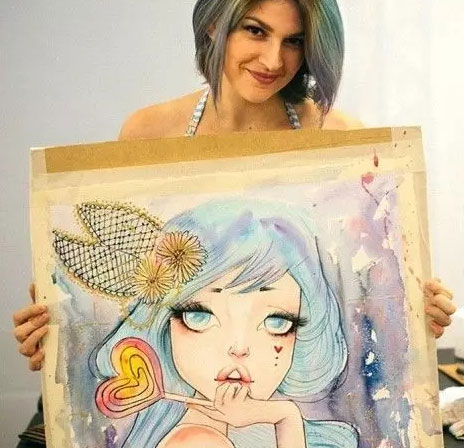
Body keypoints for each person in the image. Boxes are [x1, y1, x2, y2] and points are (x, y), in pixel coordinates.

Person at [12, 0, 455, 434]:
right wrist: (62, 320)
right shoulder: (150, 132)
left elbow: (366, 294)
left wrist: (412, 311)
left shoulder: (339, 138)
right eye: (255, 30)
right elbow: (138, 297)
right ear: (213, 25)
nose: (273, 60)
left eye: (294, 41)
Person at [90, 199, 359, 447]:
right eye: (200, 316)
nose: (239, 348)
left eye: (277, 323)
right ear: (165, 325)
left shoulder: (228, 433)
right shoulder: (199, 442)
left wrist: (285, 416)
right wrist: (285, 416)